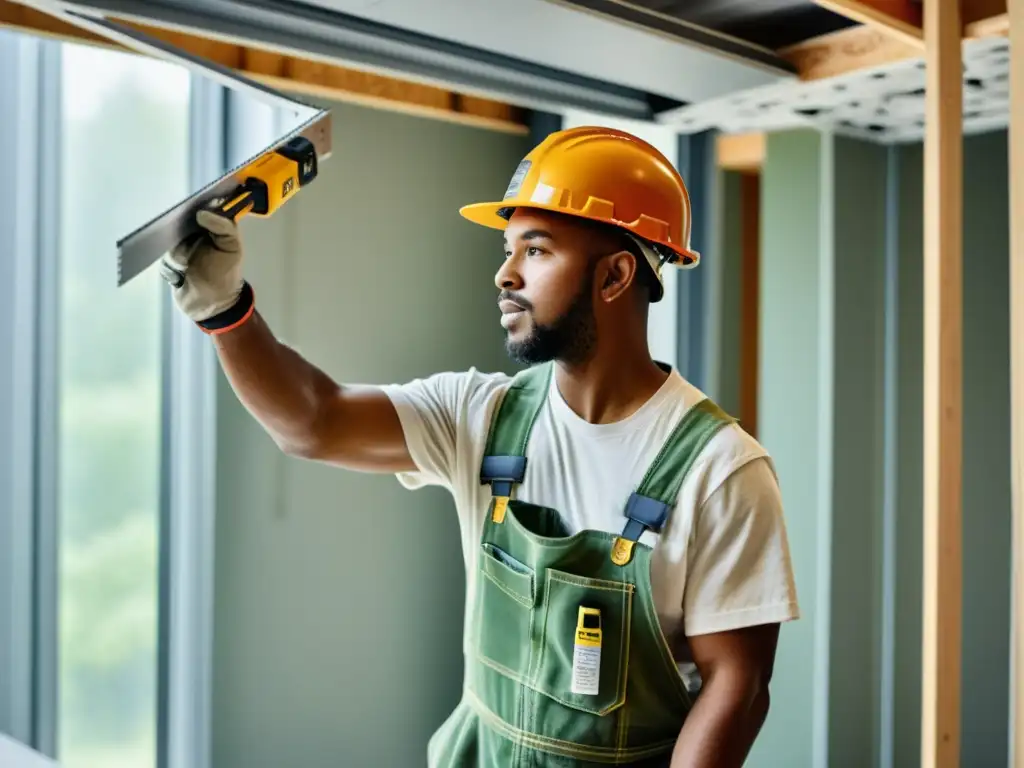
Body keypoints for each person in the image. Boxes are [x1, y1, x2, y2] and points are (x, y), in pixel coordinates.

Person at [161, 125, 800, 767]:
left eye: (536, 250)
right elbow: (313, 421)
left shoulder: (720, 471)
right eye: (507, 248)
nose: (504, 274)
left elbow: (736, 687)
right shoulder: (482, 416)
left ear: (614, 276)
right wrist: (225, 309)